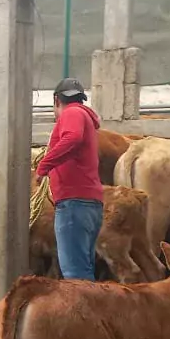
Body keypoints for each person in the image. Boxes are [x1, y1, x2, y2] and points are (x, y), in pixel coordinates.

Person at [36, 77, 105, 281]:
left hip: (74, 203)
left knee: (75, 275)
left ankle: (84, 313)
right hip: (88, 203)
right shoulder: (85, 117)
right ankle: (93, 311)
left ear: (57, 100)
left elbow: (72, 138)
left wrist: (44, 166)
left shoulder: (72, 113)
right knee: (83, 268)